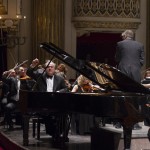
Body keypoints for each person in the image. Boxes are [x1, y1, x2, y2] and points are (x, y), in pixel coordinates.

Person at [26, 58, 69, 141]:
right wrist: (33, 65)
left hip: (55, 103)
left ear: (54, 69)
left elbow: (66, 88)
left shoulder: (59, 79)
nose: (50, 68)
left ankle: (61, 134)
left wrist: (58, 91)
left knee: (64, 114)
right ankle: (55, 134)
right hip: (42, 104)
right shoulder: (40, 77)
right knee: (48, 114)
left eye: (52, 67)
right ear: (45, 69)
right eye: (48, 67)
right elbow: (29, 72)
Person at [115, 29, 144, 130]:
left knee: (122, 96)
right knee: (135, 97)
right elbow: (142, 61)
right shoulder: (140, 45)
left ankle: (119, 122)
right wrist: (135, 67)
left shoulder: (120, 44)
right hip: (136, 73)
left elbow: (117, 58)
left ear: (125, 36)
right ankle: (135, 123)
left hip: (123, 72)